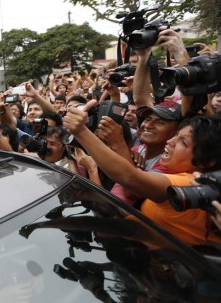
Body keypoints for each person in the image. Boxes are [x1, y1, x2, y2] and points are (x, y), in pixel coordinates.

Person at [64, 101, 221, 247]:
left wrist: (81, 132)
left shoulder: (189, 184)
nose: (170, 142)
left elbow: (129, 177)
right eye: (176, 136)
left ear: (207, 162)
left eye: (183, 142)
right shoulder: (195, 181)